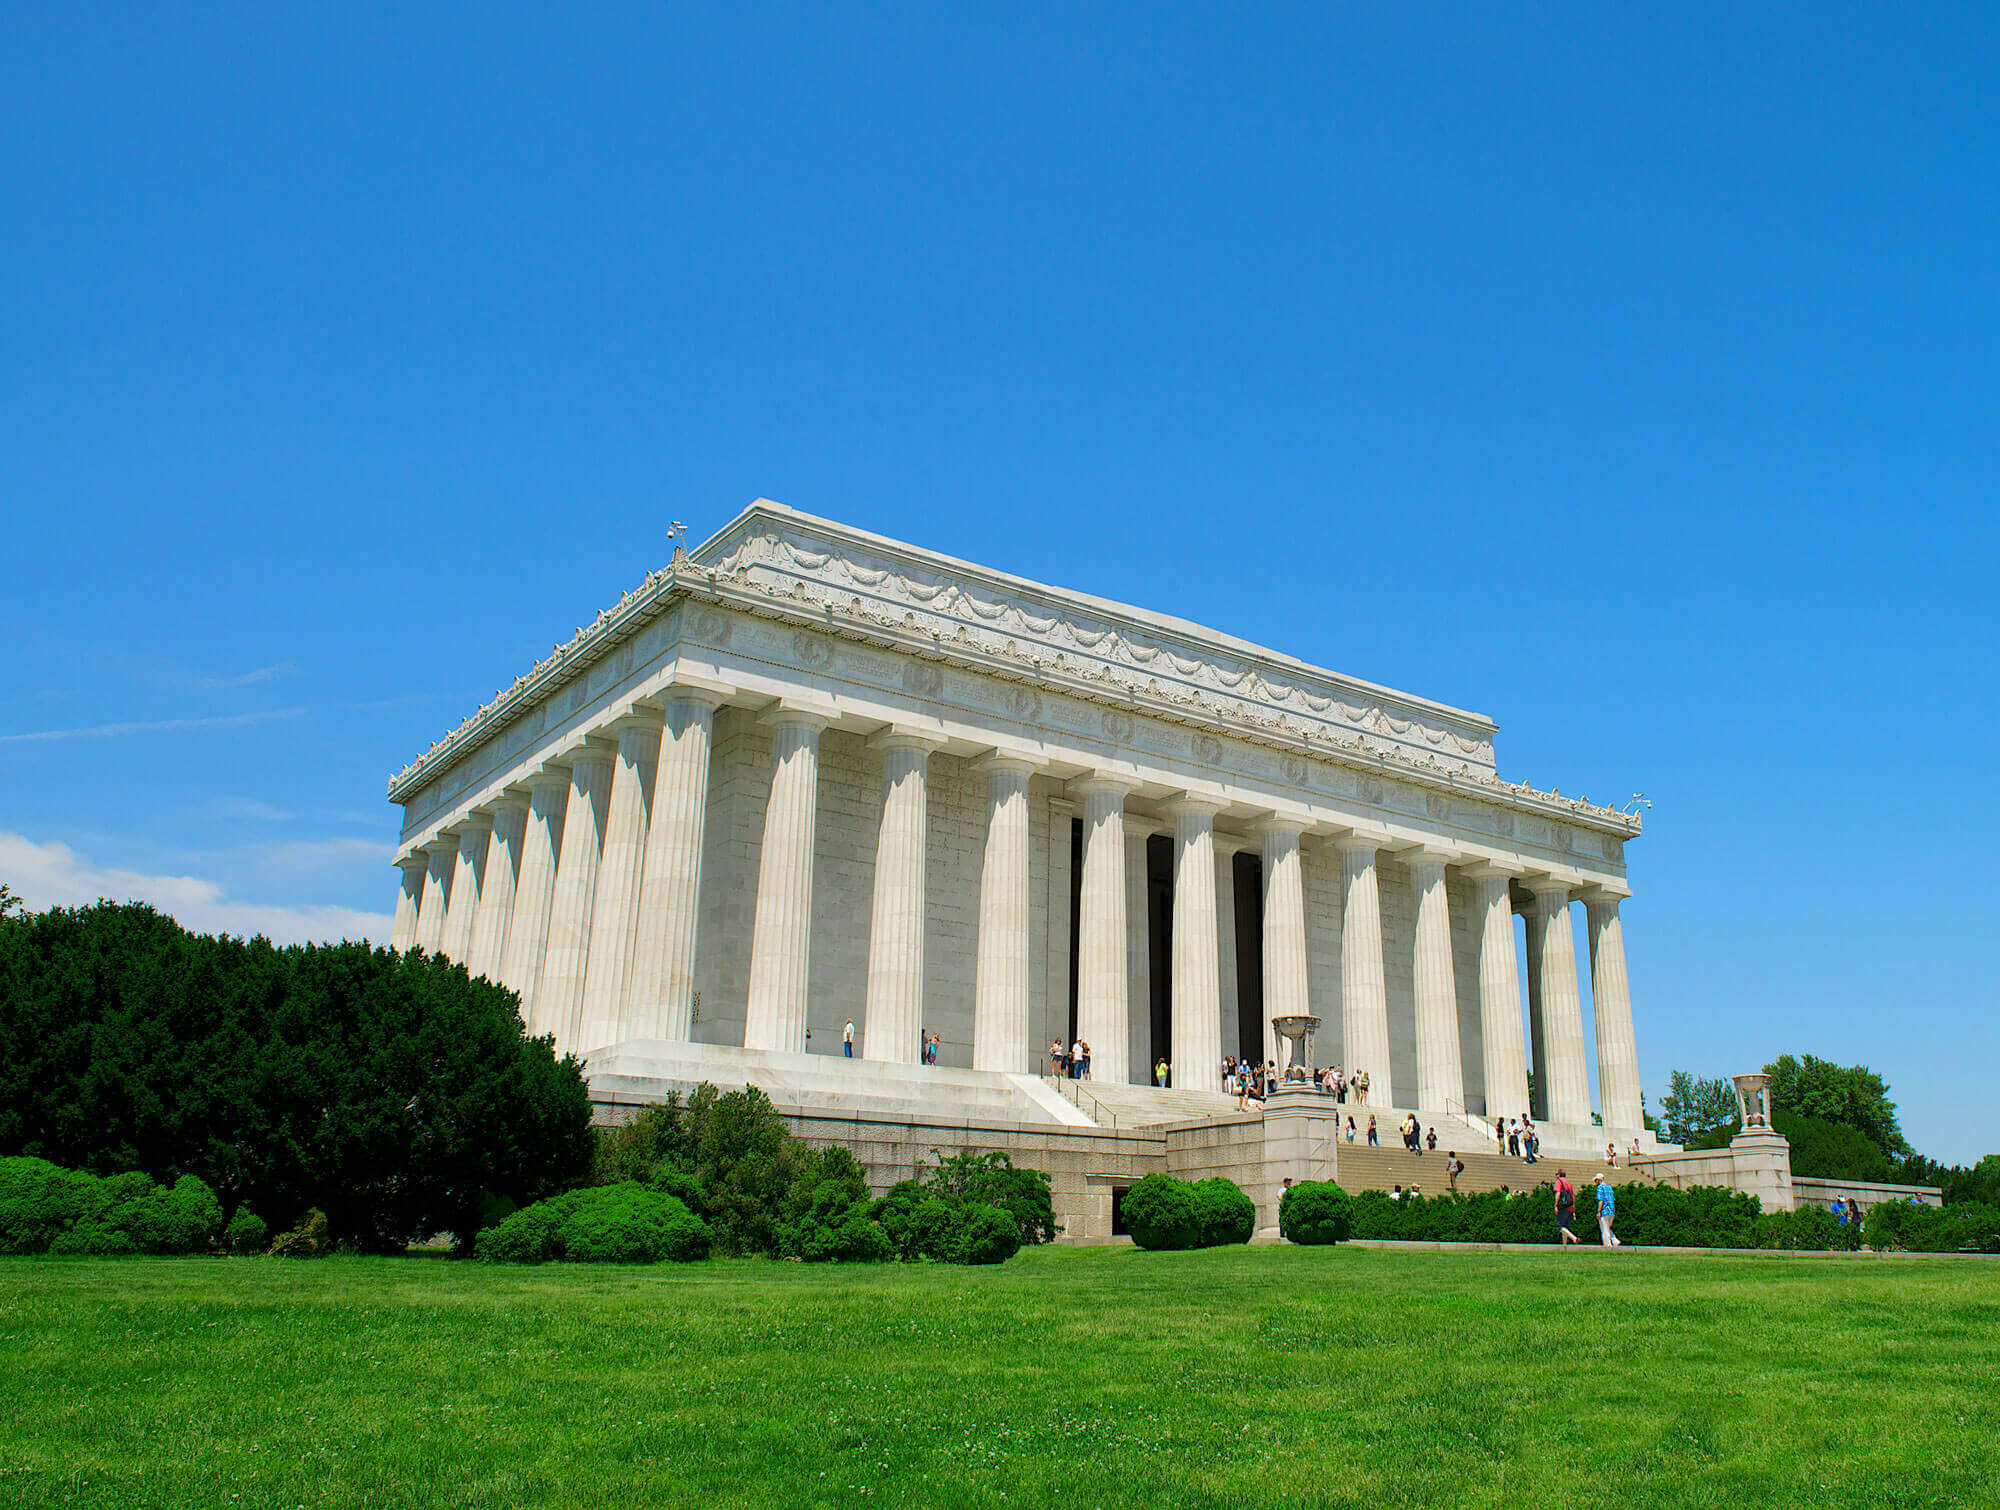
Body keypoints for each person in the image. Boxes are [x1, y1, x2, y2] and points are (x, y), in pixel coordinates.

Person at [1554, 1169, 1579, 1246]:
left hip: (1563, 1206)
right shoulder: (1569, 1183)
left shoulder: (1559, 1181)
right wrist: (1573, 1211)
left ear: (1559, 1175)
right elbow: (1572, 1197)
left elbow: (1558, 1193)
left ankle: (1574, 1238)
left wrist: (1556, 1205)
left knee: (1560, 1226)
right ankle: (1564, 1245)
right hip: (1570, 1206)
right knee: (1565, 1227)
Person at [1595, 1172, 1620, 1247]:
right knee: (1607, 1227)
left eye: (1596, 1180)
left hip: (1604, 1211)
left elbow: (1601, 1200)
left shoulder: (1600, 1187)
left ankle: (1607, 1244)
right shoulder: (1609, 1187)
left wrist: (1599, 1211)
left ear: (1598, 1180)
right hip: (1611, 1211)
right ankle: (1615, 1240)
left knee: (1604, 1229)